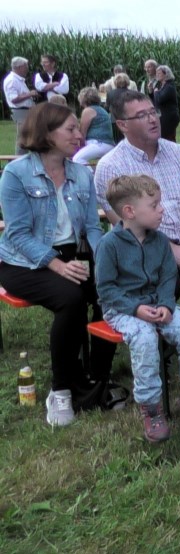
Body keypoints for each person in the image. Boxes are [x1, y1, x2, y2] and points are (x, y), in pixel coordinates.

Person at [0, 103, 116, 426]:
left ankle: (97, 378)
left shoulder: (82, 173)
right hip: (21, 262)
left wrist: (104, 262)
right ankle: (62, 389)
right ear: (46, 133)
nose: (80, 135)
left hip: (69, 255)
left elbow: (92, 228)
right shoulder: (16, 174)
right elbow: (18, 235)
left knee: (111, 289)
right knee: (71, 297)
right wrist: (56, 264)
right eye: (71, 129)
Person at [95, 175, 180, 442]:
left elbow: (168, 278)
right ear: (130, 211)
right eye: (154, 205)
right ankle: (151, 408)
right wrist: (135, 308)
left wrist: (166, 305)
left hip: (159, 303)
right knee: (145, 339)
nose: (162, 209)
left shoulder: (160, 240)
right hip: (121, 308)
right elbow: (106, 290)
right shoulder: (109, 245)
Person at [95, 90, 180, 285]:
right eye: (142, 115)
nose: (153, 119)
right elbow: (122, 221)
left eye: (153, 112)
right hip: (144, 249)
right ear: (122, 125)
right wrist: (171, 250)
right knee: (162, 290)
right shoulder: (111, 166)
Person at [3, 56, 40, 154]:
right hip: (20, 111)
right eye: (25, 66)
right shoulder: (12, 80)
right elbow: (14, 99)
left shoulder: (18, 80)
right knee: (23, 136)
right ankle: (19, 158)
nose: (27, 69)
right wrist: (30, 94)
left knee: (28, 135)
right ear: (19, 67)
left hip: (25, 111)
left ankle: (25, 156)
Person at [72, 87, 115, 165]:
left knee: (77, 159)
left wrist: (79, 148)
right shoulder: (101, 109)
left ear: (82, 99)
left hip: (98, 143)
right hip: (108, 144)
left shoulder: (88, 111)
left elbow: (82, 134)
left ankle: (89, 173)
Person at [152, 65, 180, 142]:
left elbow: (160, 99)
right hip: (163, 116)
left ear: (166, 74)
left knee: (169, 138)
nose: (157, 75)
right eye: (156, 73)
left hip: (169, 117)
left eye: (159, 73)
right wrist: (151, 92)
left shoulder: (169, 86)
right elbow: (155, 101)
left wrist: (156, 92)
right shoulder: (163, 86)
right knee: (164, 137)